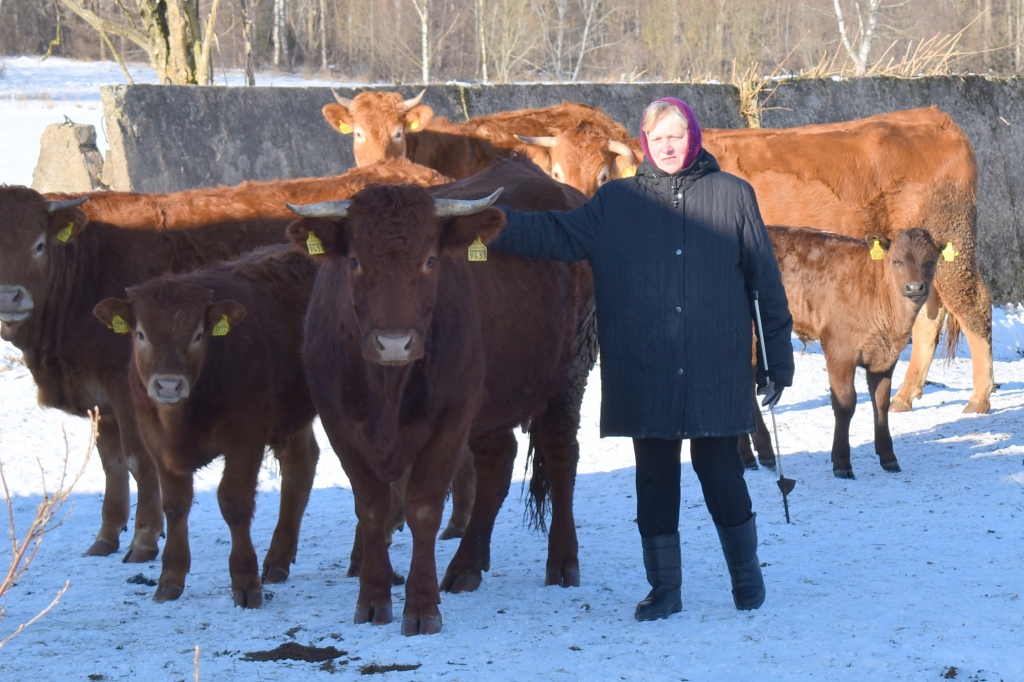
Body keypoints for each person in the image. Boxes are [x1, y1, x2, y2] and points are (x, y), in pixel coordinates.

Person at [487, 97, 794, 620]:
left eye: (676, 135)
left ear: (692, 136)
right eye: (658, 138)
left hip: (715, 365)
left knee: (720, 470)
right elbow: (557, 235)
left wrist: (776, 357)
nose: (668, 146)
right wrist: (491, 222)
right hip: (645, 364)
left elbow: (765, 283)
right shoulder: (617, 203)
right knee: (653, 478)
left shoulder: (733, 196)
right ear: (643, 144)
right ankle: (664, 589)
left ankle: (747, 575)